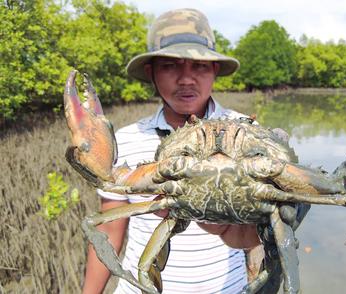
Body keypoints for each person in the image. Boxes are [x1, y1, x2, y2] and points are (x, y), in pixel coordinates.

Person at [82, 8, 262, 294]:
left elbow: (261, 229)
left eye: (199, 66)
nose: (186, 79)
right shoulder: (127, 140)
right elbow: (109, 229)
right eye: (170, 66)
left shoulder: (246, 133)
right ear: (151, 73)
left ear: (214, 70)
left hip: (228, 288)